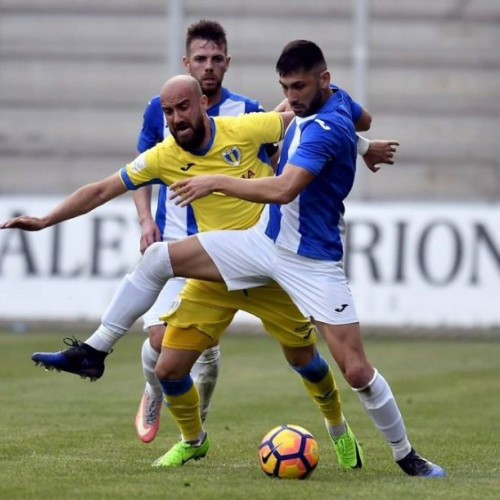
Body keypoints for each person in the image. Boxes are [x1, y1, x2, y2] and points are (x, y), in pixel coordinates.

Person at [0, 53, 415, 474]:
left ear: (202, 105)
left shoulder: (246, 126)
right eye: (168, 112)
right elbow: (102, 189)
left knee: (306, 362)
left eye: (183, 108)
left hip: (276, 264)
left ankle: (338, 427)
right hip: (221, 266)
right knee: (168, 362)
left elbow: (314, 127)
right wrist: (47, 218)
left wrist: (360, 146)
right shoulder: (163, 156)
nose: (176, 118)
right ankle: (182, 431)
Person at [132, 19, 281, 445]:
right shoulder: (159, 108)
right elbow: (139, 173)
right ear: (187, 62)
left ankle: (194, 430)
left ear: (227, 62)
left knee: (201, 354)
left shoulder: (248, 112)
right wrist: (146, 220)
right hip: (175, 246)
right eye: (201, 59)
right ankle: (153, 388)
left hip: (228, 250)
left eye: (217, 59)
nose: (209, 66)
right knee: (160, 339)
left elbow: (276, 162)